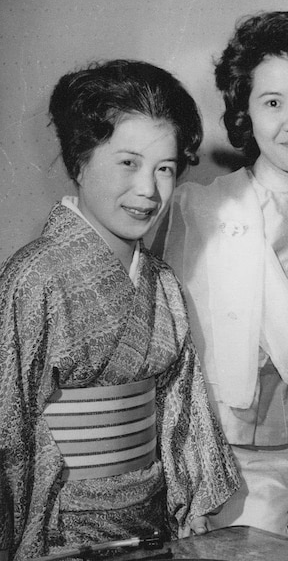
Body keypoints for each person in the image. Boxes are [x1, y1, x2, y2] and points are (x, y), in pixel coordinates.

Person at [0, 59, 238, 561]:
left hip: (153, 525)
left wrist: (187, 508)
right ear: (80, 159)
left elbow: (181, 415)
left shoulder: (163, 282)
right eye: (128, 163)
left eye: (165, 168)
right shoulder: (33, 278)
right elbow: (10, 434)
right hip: (59, 533)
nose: (149, 190)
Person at [160, 11, 288, 548]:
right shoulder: (199, 206)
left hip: (287, 455)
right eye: (271, 102)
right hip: (189, 452)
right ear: (246, 114)